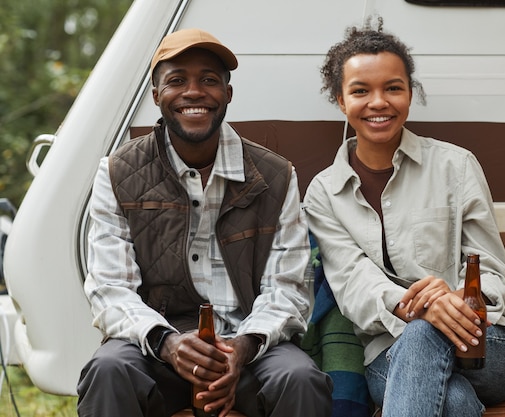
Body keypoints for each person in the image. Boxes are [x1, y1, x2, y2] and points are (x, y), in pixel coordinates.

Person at [303, 18, 505, 417]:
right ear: (340, 99)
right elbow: (352, 283)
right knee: (451, 400)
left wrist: (452, 303)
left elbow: (489, 269)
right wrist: (416, 307)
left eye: (393, 88)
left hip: (487, 341)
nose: (379, 102)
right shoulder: (323, 192)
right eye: (361, 91)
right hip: (389, 352)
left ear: (410, 93)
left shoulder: (456, 166)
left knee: (426, 333)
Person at [77, 28, 333, 417]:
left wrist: (241, 348)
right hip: (156, 349)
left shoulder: (275, 175)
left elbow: (289, 289)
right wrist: (168, 343)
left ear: (227, 94)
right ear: (156, 95)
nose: (194, 92)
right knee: (108, 369)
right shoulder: (117, 173)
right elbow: (111, 288)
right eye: (177, 80)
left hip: (249, 348)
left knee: (299, 378)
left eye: (209, 80)